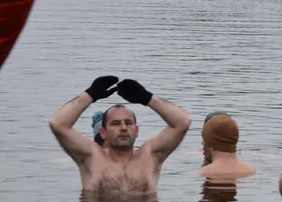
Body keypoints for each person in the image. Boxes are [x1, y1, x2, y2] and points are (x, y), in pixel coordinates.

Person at [49, 75, 191, 195]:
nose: (123, 128)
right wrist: (90, 95)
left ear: (136, 131)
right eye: (116, 123)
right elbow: (58, 124)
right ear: (103, 132)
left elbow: (183, 122)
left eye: (128, 123)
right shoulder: (91, 156)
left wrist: (147, 98)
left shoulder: (150, 156)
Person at [198, 112, 257, 180]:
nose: (202, 142)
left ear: (210, 143)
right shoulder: (253, 172)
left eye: (205, 139)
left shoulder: (202, 173)